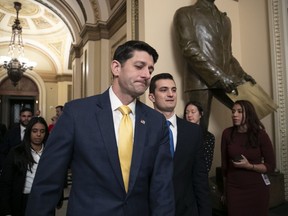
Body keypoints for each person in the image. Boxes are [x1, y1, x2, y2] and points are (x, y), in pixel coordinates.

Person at [25, 40, 175, 215]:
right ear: (116, 68)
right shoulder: (77, 113)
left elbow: (162, 188)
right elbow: (48, 180)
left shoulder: (156, 122)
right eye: (139, 66)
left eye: (150, 70)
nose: (147, 75)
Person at [173, 0, 256, 131]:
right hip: (198, 81)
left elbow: (228, 54)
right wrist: (219, 76)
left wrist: (242, 74)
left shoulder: (225, 19)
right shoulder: (185, 13)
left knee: (248, 116)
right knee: (197, 131)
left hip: (226, 79)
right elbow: (189, 49)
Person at [149, 73, 211, 216]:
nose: (171, 94)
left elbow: (200, 177)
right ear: (151, 96)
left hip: (186, 210)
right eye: (164, 90)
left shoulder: (193, 132)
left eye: (174, 90)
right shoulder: (141, 129)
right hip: (151, 209)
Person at [221, 100, 276, 216]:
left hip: (257, 189)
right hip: (234, 189)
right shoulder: (227, 134)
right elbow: (224, 166)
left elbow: (270, 166)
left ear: (249, 114)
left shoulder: (261, 135)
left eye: (239, 111)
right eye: (233, 111)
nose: (234, 114)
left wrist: (249, 166)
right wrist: (225, 192)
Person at [0, 117, 49, 216]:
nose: (38, 134)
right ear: (29, 132)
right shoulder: (16, 152)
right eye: (35, 131)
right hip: (22, 200)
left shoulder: (50, 153)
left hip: (44, 200)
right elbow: (5, 183)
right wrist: (6, 210)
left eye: (42, 131)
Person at [184, 101, 215, 172]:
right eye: (187, 112)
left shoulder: (209, 137)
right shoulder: (180, 133)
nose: (189, 115)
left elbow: (207, 165)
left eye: (193, 112)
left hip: (199, 176)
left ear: (201, 114)